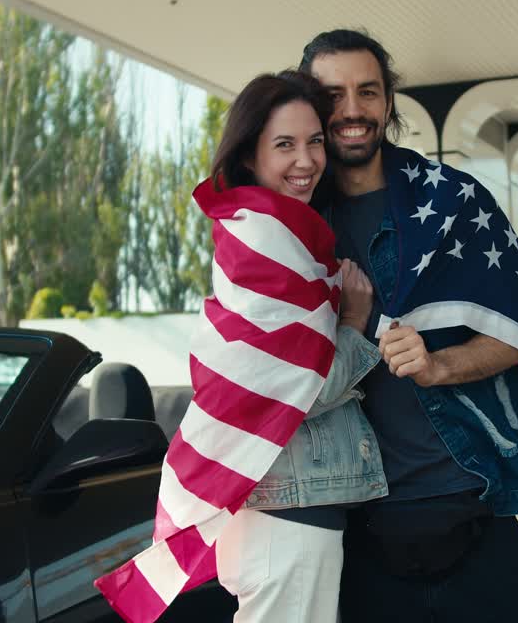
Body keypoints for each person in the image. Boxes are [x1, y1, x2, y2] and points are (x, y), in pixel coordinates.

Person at [299, 30, 518, 623]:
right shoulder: (289, 229)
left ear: (388, 101)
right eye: (332, 94)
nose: (351, 110)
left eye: (367, 92)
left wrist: (440, 364)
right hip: (353, 522)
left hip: (471, 510)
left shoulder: (454, 203)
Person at [95, 70, 389, 623]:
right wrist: (353, 324)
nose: (306, 161)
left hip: (285, 517)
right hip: (285, 524)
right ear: (250, 157)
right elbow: (305, 386)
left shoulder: (278, 236)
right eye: (284, 145)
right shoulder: (263, 244)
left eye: (314, 142)